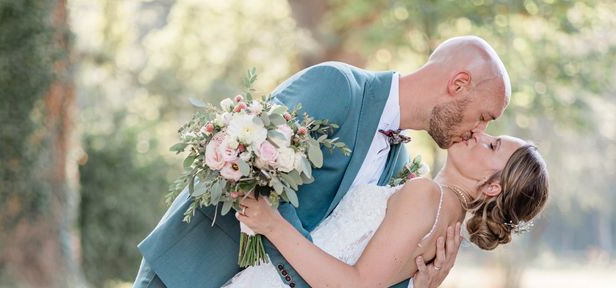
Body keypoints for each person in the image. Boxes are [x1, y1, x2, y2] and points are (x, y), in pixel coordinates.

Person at [134, 36, 511, 288]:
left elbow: (355, 264)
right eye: (484, 117)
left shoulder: (401, 168)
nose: (479, 131)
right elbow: (248, 168)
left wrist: (416, 283)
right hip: (188, 271)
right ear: (458, 84)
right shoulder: (337, 87)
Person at [231, 134, 549, 287]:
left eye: (491, 146)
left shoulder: (427, 195)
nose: (480, 134)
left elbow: (358, 286)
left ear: (493, 187)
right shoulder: (449, 224)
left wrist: (272, 225)